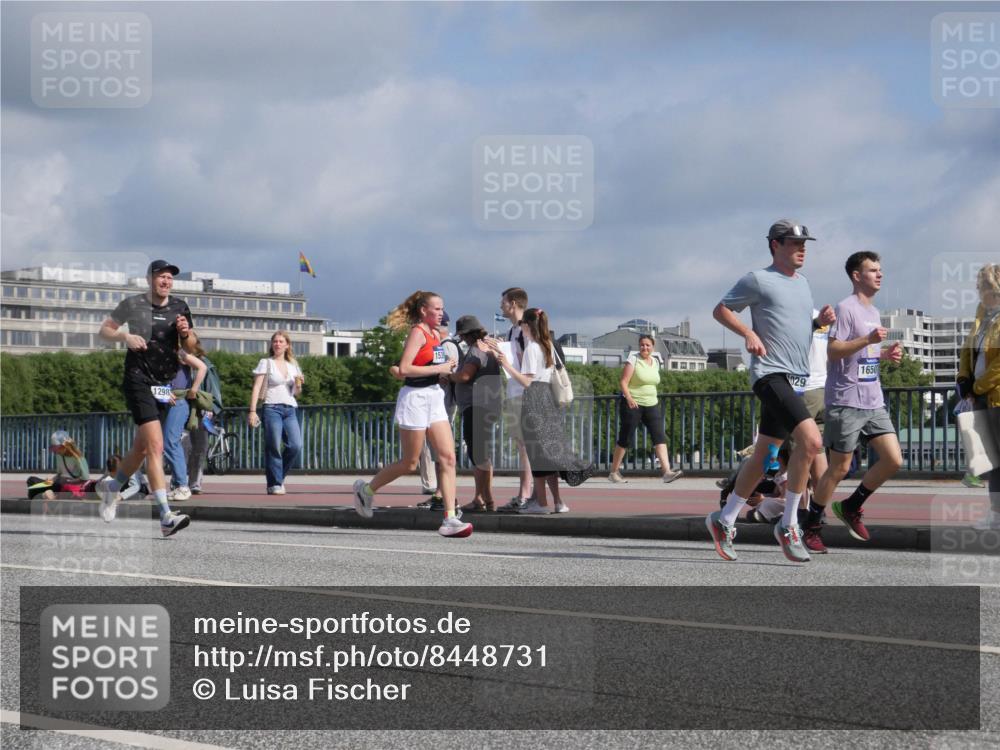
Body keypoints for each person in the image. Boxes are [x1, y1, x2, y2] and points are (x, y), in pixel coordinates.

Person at [706, 220, 835, 563]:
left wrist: (818, 323)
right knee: (811, 442)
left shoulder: (804, 284)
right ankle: (789, 524)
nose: (802, 248)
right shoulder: (758, 279)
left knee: (764, 456)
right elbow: (721, 309)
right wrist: (748, 333)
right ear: (775, 245)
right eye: (794, 243)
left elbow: (795, 329)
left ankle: (724, 519)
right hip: (769, 374)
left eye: (804, 243)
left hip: (796, 378)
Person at [352, 291, 472, 538]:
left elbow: (423, 366)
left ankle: (449, 518)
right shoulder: (418, 332)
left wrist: (442, 371)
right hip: (415, 399)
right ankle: (366, 490)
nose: (441, 313)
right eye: (437, 309)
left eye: (442, 309)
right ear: (423, 311)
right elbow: (406, 367)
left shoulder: (436, 335)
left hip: (434, 396)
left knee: (448, 457)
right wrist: (437, 368)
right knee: (410, 462)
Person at [806, 252, 904, 548]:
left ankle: (851, 505)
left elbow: (864, 354)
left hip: (873, 400)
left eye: (880, 269)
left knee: (893, 460)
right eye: (873, 270)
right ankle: (811, 525)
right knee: (839, 468)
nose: (880, 274)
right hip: (846, 400)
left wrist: (884, 354)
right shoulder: (845, 308)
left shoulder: (873, 312)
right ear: (856, 276)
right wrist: (868, 341)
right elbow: (833, 351)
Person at [96, 259, 195, 536]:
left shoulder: (180, 307)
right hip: (137, 380)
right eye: (161, 276)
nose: (166, 281)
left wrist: (186, 333)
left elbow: (190, 344)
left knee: (141, 449)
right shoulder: (132, 304)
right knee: (156, 446)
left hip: (163, 385)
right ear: (150, 279)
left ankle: (112, 489)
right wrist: (125, 337)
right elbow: (104, 331)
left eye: (170, 277)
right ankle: (165, 517)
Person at [490, 308, 592, 514]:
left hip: (534, 399)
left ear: (526, 325)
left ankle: (541, 503)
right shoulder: (548, 345)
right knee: (548, 452)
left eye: (522, 325)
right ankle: (558, 501)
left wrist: (507, 365)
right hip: (548, 398)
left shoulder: (532, 348)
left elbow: (527, 381)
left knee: (537, 454)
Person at [608, 333, 682, 484]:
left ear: (653, 347)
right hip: (633, 404)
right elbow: (623, 382)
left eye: (648, 345)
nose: (644, 347)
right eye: (642, 345)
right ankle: (614, 472)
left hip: (652, 404)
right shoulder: (633, 359)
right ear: (639, 346)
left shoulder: (655, 361)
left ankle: (667, 472)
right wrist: (629, 398)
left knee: (659, 436)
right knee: (625, 438)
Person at [958, 263, 1000, 529]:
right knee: (991, 460)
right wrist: (963, 379)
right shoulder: (983, 313)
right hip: (982, 396)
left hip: (995, 395)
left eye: (982, 285)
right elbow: (969, 347)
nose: (978, 290)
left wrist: (978, 387)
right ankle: (995, 515)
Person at [450, 315, 502, 512]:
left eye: (462, 335)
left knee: (478, 454)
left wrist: (448, 375)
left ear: (467, 334)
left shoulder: (476, 350)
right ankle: (483, 498)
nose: (462, 339)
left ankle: (483, 499)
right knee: (480, 453)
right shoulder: (488, 348)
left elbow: (465, 376)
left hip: (476, 406)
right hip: (488, 405)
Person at [248, 331, 304, 495]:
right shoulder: (266, 362)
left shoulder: (293, 365)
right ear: (272, 345)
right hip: (271, 407)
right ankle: (274, 483)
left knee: (296, 445)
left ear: (287, 345)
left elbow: (296, 392)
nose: (278, 344)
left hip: (290, 408)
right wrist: (252, 411)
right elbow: (257, 387)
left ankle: (278, 477)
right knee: (273, 446)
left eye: (281, 342)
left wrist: (299, 385)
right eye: (275, 341)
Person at [415, 313, 461, 511]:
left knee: (441, 451)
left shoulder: (445, 345)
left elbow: (446, 371)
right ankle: (441, 495)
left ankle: (442, 494)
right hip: (438, 401)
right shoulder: (441, 344)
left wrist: (439, 373)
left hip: (442, 402)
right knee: (438, 451)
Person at [496, 287, 535, 512]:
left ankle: (526, 493)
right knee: (522, 445)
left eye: (503, 302)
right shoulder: (514, 331)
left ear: (513, 304)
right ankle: (526, 492)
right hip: (515, 390)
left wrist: (505, 358)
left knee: (526, 446)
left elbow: (528, 363)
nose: (501, 306)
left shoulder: (523, 330)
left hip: (523, 391)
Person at [162, 348, 207, 501]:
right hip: (164, 402)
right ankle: (176, 485)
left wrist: (193, 389)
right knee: (165, 444)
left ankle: (182, 485)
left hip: (178, 401)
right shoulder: (156, 353)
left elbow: (202, 367)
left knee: (170, 442)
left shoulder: (178, 352)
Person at [181, 343, 224, 494]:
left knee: (200, 445)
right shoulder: (174, 361)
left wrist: (211, 408)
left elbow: (213, 388)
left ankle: (194, 482)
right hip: (180, 406)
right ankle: (179, 481)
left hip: (200, 408)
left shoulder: (205, 364)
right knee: (182, 445)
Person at [27, 431, 91, 499]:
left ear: (64, 445)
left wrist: (69, 482)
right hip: (58, 483)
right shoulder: (59, 456)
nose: (53, 449)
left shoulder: (78, 457)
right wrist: (51, 480)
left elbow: (85, 478)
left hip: (67, 485)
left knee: (53, 487)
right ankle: (47, 495)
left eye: (55, 446)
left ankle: (46, 495)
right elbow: (59, 474)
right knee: (31, 480)